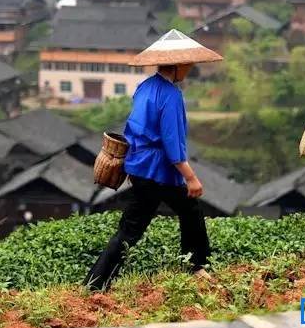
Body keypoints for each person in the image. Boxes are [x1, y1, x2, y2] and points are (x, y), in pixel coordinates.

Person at [84, 29, 223, 291]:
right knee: (188, 211)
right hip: (157, 171)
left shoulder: (145, 87)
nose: (190, 69)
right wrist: (191, 177)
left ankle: (95, 283)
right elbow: (172, 143)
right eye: (188, 65)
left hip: (138, 167)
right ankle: (196, 266)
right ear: (178, 65)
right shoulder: (171, 95)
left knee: (134, 227)